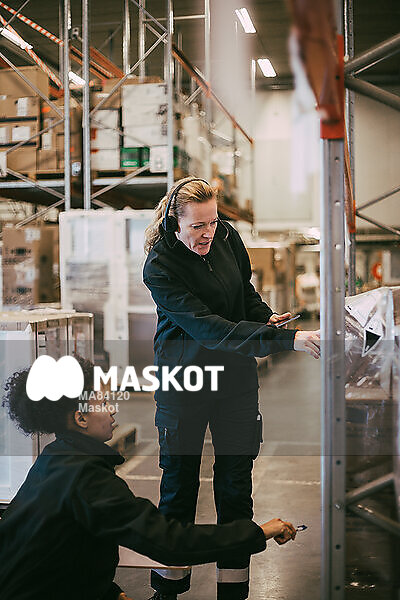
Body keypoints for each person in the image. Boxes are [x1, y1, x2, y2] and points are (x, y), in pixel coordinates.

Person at [143, 177, 320, 600]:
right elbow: (209, 328)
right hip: (184, 381)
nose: (209, 233)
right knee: (179, 485)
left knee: (236, 486)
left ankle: (233, 590)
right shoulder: (160, 266)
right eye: (197, 226)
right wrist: (287, 341)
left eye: (213, 221)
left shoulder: (226, 237)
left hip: (235, 382)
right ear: (173, 223)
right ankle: (169, 588)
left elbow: (244, 293)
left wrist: (267, 318)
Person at [0, 356, 297, 600]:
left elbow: (59, 553)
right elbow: (170, 543)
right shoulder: (86, 478)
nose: (113, 410)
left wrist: (109, 594)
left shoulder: (54, 459)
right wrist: (258, 532)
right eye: (103, 403)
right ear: (81, 418)